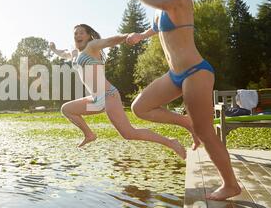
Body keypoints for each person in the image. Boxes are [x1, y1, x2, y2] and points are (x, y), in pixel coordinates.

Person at [127, 0, 241, 200]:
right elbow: (158, 26)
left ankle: (231, 184)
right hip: (174, 75)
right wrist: (140, 35)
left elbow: (166, 3)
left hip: (195, 72)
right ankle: (186, 122)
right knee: (140, 107)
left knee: (206, 133)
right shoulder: (162, 3)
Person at [50, 24, 186, 160]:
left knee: (128, 133)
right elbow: (63, 53)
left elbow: (110, 41)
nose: (78, 35)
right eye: (76, 33)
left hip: (109, 96)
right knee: (67, 109)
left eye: (81, 33)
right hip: (96, 101)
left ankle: (171, 142)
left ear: (88, 36)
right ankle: (89, 135)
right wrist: (54, 49)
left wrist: (127, 36)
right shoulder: (75, 52)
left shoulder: (92, 47)